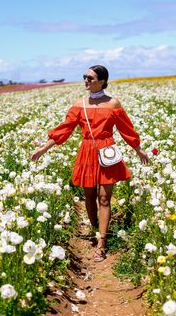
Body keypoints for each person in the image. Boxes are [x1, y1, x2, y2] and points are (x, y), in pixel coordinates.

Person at [30, 65, 149, 262]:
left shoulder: (113, 104)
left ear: (102, 81)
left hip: (107, 151)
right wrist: (44, 148)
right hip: (86, 152)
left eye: (90, 78)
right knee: (89, 196)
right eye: (85, 77)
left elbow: (126, 129)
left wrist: (137, 148)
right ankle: (95, 229)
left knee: (104, 198)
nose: (86, 80)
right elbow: (65, 129)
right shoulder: (79, 104)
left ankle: (102, 242)